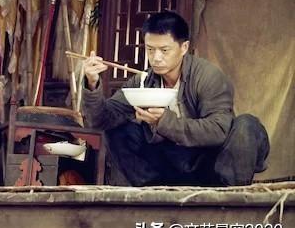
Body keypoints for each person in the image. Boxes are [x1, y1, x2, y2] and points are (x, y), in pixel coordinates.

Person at [81, 11, 269, 186]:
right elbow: (100, 120)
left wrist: (163, 121)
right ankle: (152, 193)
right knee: (118, 131)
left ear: (184, 47)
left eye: (164, 50)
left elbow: (218, 130)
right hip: (168, 165)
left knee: (247, 125)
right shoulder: (143, 81)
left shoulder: (207, 76)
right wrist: (92, 83)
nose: (156, 58)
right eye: (150, 49)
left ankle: (228, 198)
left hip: (209, 163)